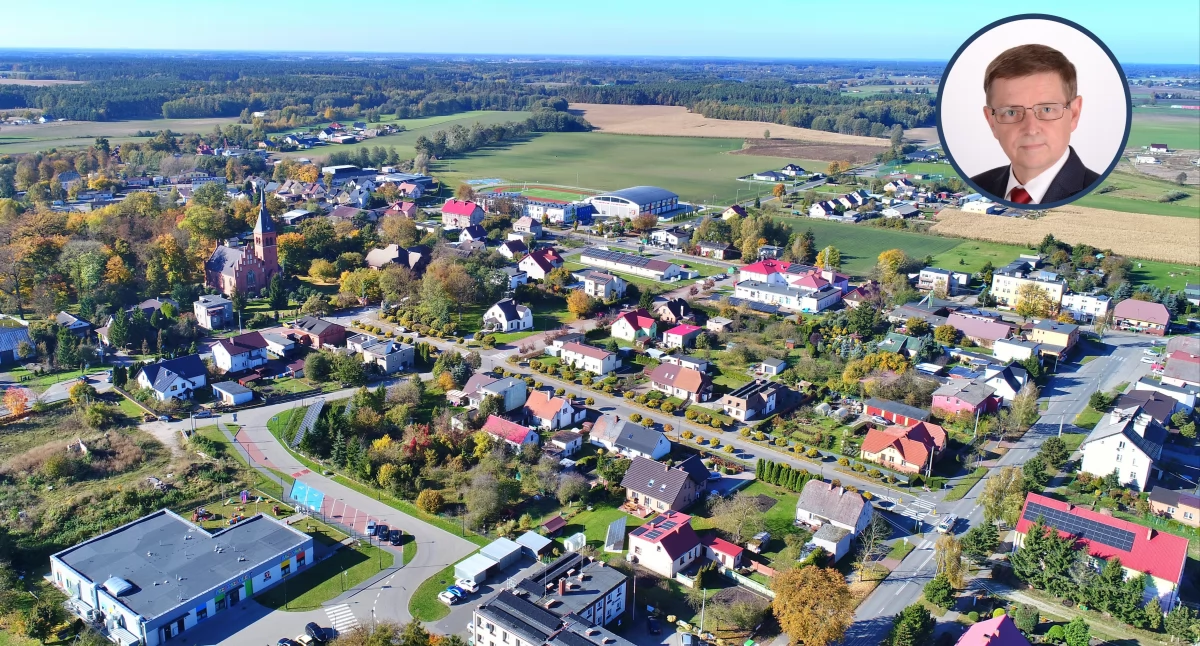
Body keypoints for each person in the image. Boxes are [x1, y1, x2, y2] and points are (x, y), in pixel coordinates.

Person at [971, 44, 1099, 204]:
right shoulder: (977, 185)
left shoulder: (1098, 194)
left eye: (1046, 109)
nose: (1031, 129)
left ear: (1074, 114)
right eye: (1011, 112)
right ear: (991, 122)